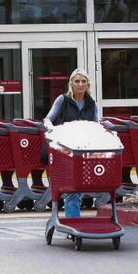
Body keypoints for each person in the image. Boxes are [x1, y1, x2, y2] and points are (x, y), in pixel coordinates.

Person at [43, 68, 99, 219]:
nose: (80, 84)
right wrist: (52, 128)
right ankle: (73, 220)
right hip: (65, 150)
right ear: (71, 84)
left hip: (82, 150)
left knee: (77, 188)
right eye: (77, 81)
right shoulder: (63, 100)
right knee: (73, 189)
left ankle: (73, 219)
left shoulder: (92, 104)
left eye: (83, 81)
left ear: (88, 84)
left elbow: (97, 124)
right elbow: (48, 119)